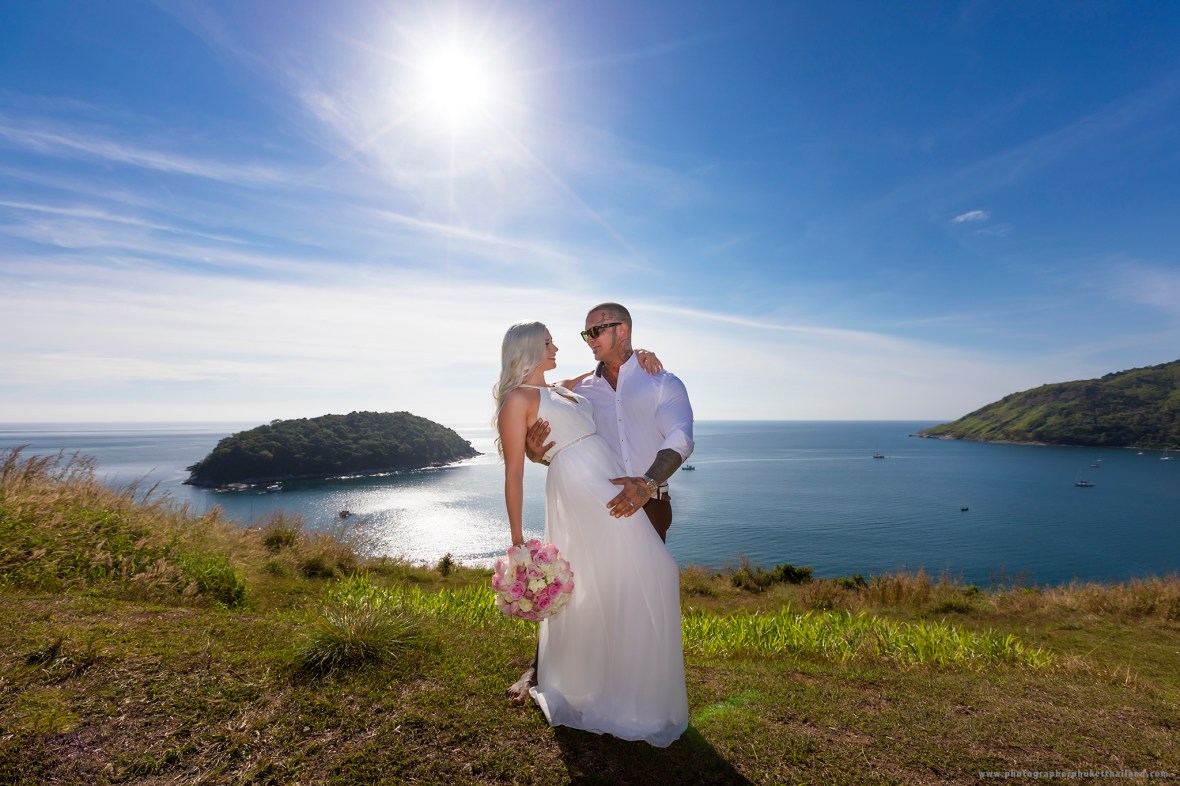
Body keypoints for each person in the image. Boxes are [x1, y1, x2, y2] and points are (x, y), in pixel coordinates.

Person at [493, 320, 689, 748]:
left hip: (605, 478)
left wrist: (641, 354)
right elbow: (514, 473)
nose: (556, 347)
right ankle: (597, 689)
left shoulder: (561, 388)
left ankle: (625, 688)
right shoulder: (518, 399)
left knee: (631, 577)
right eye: (548, 342)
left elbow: (611, 369)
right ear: (528, 349)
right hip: (581, 488)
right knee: (648, 570)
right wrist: (517, 539)